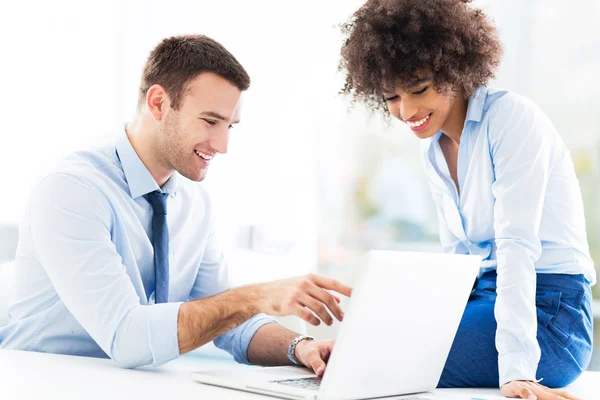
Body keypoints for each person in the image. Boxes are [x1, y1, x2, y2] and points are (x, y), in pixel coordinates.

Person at [0, 34, 352, 377]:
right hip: (40, 380)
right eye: (211, 121)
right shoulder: (73, 191)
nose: (223, 144)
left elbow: (227, 322)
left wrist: (301, 347)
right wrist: (258, 295)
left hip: (127, 385)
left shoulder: (193, 203)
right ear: (158, 103)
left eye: (231, 125)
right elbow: (128, 338)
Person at [338, 0, 595, 399]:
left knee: (386, 357)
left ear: (455, 70)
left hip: (549, 315)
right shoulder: (433, 148)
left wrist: (517, 370)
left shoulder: (510, 118)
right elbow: (461, 260)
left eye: (419, 89)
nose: (406, 111)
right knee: (373, 342)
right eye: (390, 97)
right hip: (486, 300)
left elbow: (516, 246)